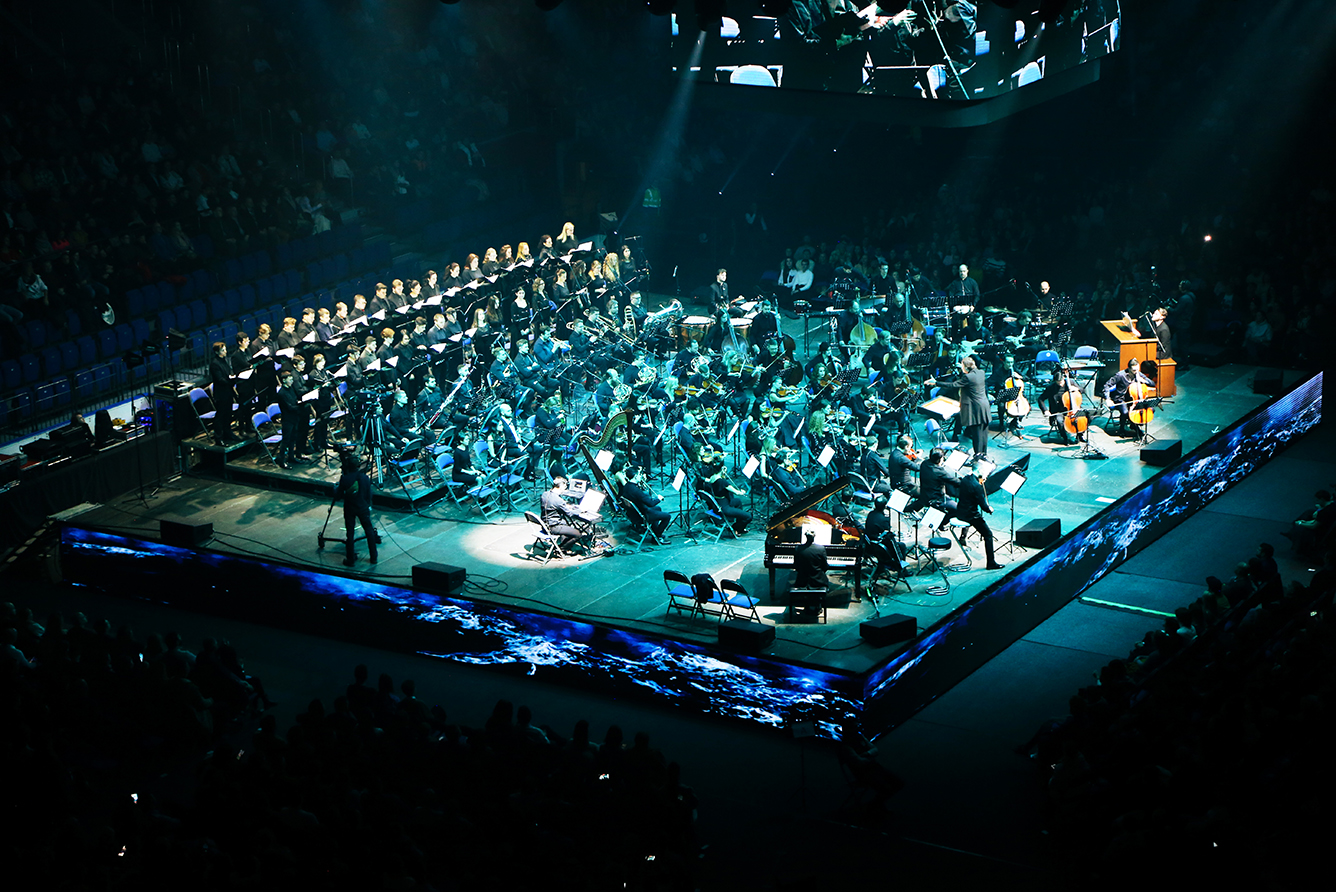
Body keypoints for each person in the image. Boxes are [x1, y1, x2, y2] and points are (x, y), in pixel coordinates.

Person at [931, 355, 990, 457]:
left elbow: (953, 385)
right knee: (983, 433)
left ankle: (978, 456)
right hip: (984, 406)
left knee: (977, 435)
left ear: (966, 367)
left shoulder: (968, 377)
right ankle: (983, 454)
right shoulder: (981, 372)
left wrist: (935, 383)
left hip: (975, 409)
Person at [955, 462, 1003, 570]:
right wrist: (989, 509)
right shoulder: (976, 486)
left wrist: (981, 481)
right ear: (980, 471)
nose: (987, 474)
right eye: (986, 472)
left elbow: (977, 484)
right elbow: (983, 506)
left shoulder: (965, 479)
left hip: (960, 510)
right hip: (971, 515)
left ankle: (963, 537)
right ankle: (991, 563)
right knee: (988, 534)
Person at [334, 453, 377, 567]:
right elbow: (369, 494)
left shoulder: (345, 478)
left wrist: (335, 489)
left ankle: (350, 559)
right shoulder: (364, 477)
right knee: (369, 531)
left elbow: (338, 496)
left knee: (350, 533)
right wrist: (367, 504)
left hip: (350, 508)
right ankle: (374, 557)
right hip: (363, 507)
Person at [1102, 357, 1154, 438]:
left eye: (1137, 369)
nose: (1136, 372)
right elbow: (1106, 385)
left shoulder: (1138, 374)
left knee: (1150, 409)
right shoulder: (1120, 375)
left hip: (1133, 399)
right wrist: (1108, 399)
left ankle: (1134, 425)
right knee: (1125, 412)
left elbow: (1152, 384)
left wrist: (1145, 381)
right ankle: (1121, 429)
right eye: (1134, 370)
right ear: (1129, 368)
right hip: (1120, 399)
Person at [618, 466, 671, 540]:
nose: (641, 476)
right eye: (640, 474)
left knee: (658, 508)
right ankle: (657, 536)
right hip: (642, 515)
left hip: (633, 513)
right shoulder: (636, 490)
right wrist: (658, 499)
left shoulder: (627, 486)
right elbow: (650, 503)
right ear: (635, 476)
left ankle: (655, 533)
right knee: (667, 516)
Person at [540, 476, 589, 552]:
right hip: (553, 527)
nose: (565, 489)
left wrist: (565, 506)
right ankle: (562, 549)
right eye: (565, 487)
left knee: (566, 524)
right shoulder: (558, 501)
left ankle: (564, 542)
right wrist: (581, 511)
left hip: (544, 524)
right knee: (578, 534)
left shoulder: (545, 494)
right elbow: (570, 514)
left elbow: (554, 505)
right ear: (561, 486)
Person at [208, 341, 239, 445]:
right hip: (221, 394)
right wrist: (231, 380)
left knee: (228, 414)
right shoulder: (214, 364)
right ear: (217, 352)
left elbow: (228, 373)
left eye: (225, 349)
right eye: (223, 350)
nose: (225, 351)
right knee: (220, 415)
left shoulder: (224, 361)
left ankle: (228, 433)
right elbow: (220, 379)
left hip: (228, 392)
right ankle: (218, 437)